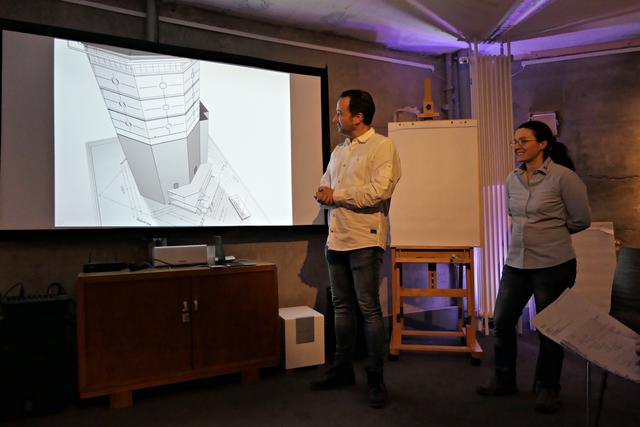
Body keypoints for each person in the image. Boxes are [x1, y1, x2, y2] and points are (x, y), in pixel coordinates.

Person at [477, 120, 591, 413]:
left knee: (549, 328)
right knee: (502, 322)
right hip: (516, 262)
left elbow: (581, 220)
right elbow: (513, 215)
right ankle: (504, 379)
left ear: (543, 144)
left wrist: (549, 234)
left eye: (524, 141)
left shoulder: (564, 178)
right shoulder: (512, 179)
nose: (517, 146)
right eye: (515, 141)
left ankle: (548, 388)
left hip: (553, 264)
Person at [310, 89, 401, 408]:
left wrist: (336, 195)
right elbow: (325, 184)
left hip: (365, 239)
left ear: (358, 117)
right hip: (336, 238)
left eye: (340, 112)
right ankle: (342, 369)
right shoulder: (339, 150)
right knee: (342, 307)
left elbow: (379, 191)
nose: (336, 118)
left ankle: (375, 377)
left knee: (368, 309)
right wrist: (324, 192)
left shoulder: (382, 146)